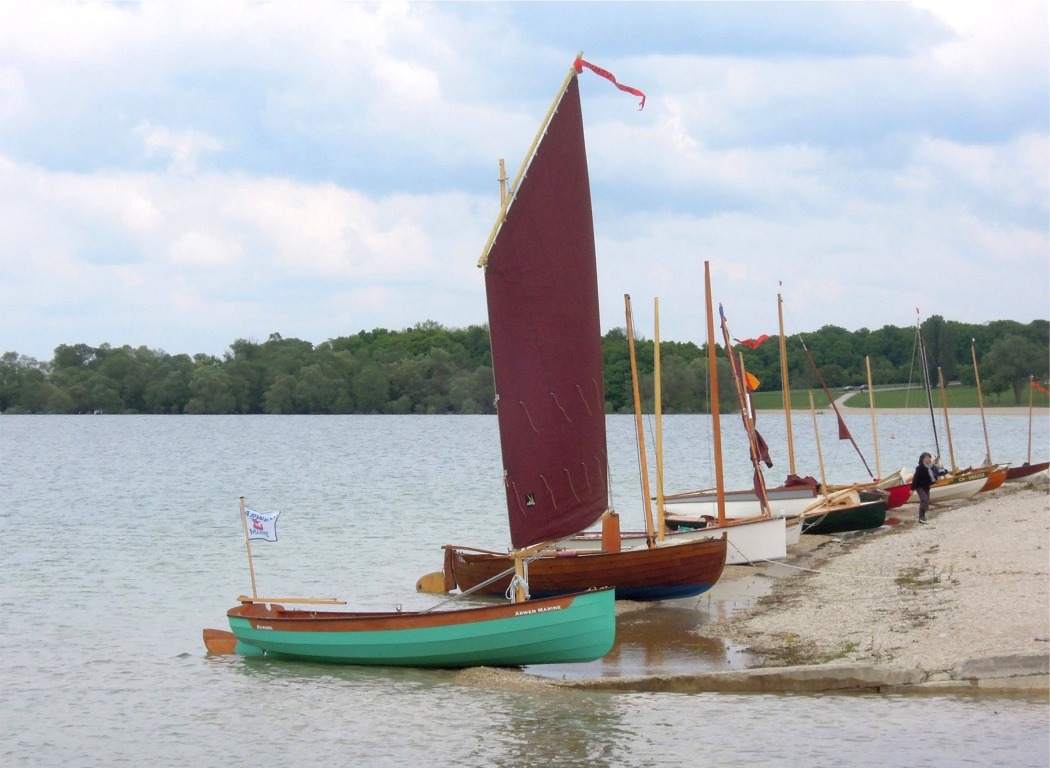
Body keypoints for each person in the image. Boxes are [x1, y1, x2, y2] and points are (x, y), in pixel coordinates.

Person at [910, 452, 941, 524]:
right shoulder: (920, 468)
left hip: (926, 487)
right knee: (924, 500)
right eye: (926, 458)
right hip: (919, 486)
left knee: (926, 504)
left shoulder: (932, 467)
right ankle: (921, 516)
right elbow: (915, 478)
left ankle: (922, 515)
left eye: (929, 457)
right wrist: (912, 489)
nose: (928, 459)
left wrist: (935, 480)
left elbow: (932, 478)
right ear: (922, 459)